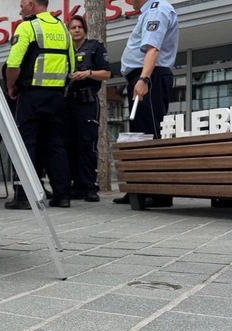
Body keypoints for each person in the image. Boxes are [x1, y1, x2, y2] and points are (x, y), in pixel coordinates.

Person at [4, 0, 75, 210]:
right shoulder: (63, 28)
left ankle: (23, 196)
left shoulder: (27, 26)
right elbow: (71, 64)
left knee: (26, 144)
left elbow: (13, 63)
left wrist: (10, 87)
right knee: (55, 145)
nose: (20, 9)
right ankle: (63, 196)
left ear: (32, 5)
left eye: (22, 4)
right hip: (56, 97)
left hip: (31, 95)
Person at [114, 0, 179, 206]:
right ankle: (138, 189)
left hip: (151, 76)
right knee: (139, 136)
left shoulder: (156, 9)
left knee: (151, 134)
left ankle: (159, 193)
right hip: (144, 76)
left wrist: (144, 79)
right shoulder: (148, 12)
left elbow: (153, 49)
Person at [64, 15, 111, 202]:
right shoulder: (64, 50)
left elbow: (106, 73)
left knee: (87, 144)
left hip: (87, 102)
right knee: (69, 145)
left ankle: (89, 186)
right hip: (67, 102)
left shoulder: (95, 47)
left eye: (79, 27)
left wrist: (87, 73)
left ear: (85, 29)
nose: (76, 30)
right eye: (73, 27)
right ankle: (75, 184)